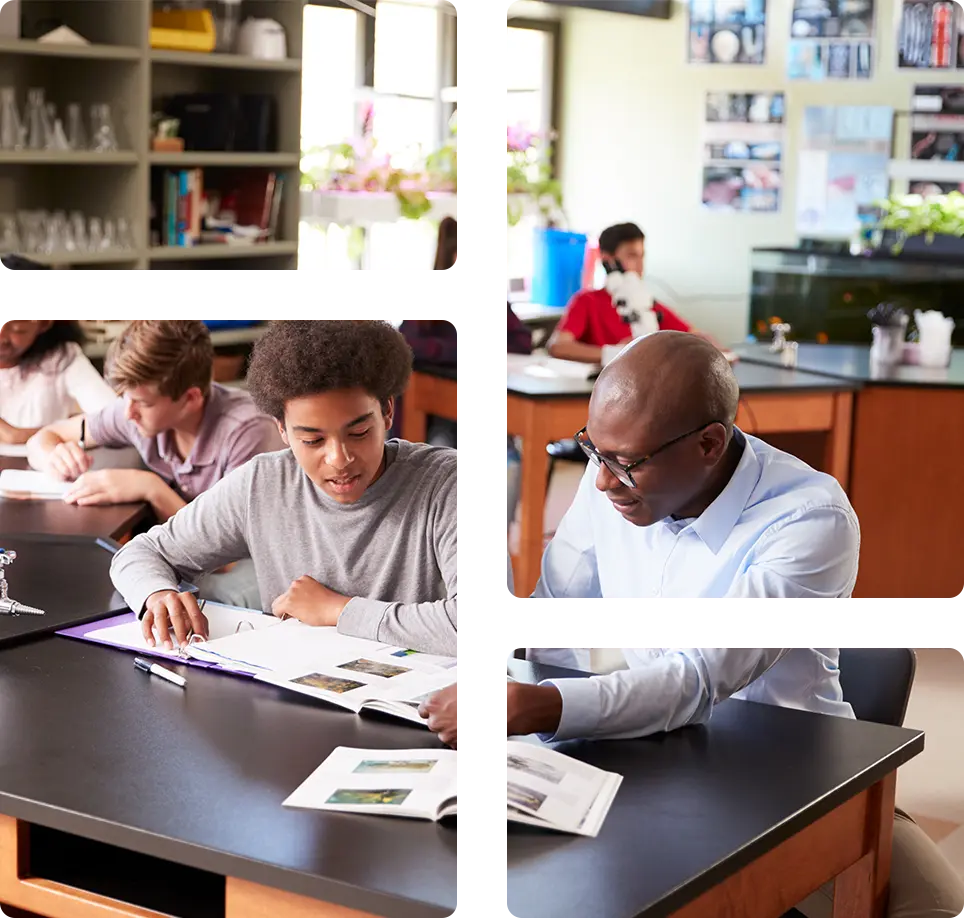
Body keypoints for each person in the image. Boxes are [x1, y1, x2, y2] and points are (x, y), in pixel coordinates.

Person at [424, 331, 964, 918]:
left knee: (932, 910)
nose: (603, 481)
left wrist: (541, 707)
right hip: (656, 757)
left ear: (710, 444)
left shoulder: (810, 517)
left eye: (626, 464)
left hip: (791, 782)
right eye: (593, 452)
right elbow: (556, 618)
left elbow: (699, 675)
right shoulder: (611, 472)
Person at [107, 320, 460, 659]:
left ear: (386, 412)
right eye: (312, 440)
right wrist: (158, 592)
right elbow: (140, 553)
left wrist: (339, 610)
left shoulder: (450, 483)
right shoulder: (262, 485)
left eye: (358, 433)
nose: (339, 459)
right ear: (283, 431)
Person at [26, 320, 283, 609]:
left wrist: (151, 488)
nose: (127, 412)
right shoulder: (140, 409)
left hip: (253, 561)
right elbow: (44, 438)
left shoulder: (248, 432)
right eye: (124, 397)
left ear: (190, 399)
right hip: (187, 547)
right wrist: (53, 455)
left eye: (141, 403)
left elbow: (228, 555)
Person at [546, 222, 716, 365]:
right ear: (607, 260)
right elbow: (558, 346)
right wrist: (616, 353)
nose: (640, 266)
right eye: (632, 256)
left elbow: (694, 337)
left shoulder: (648, 305)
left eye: (642, 256)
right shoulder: (586, 301)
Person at [0, 257, 115, 443]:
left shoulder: (61, 358)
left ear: (44, 323)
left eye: (16, 328)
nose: (1, 336)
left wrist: (19, 436)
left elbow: (112, 418)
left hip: (42, 469)